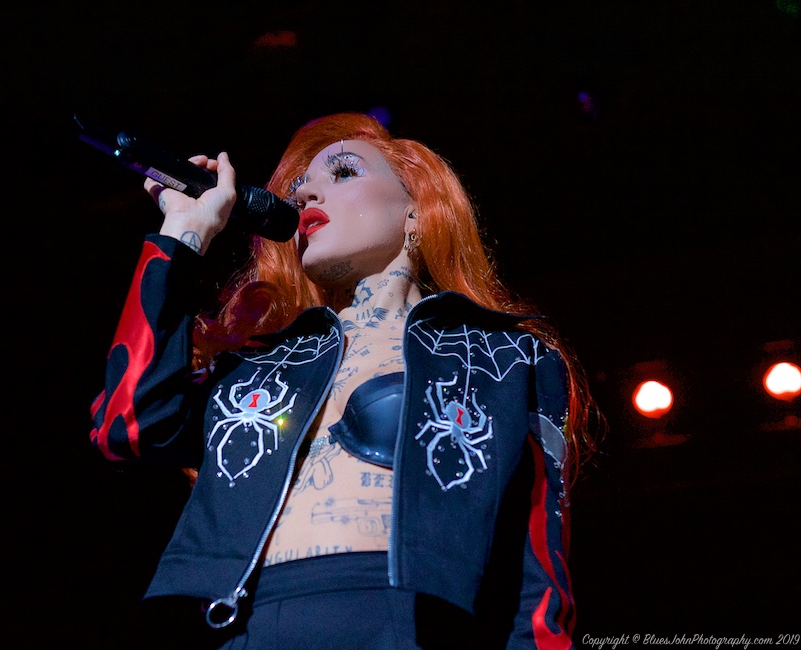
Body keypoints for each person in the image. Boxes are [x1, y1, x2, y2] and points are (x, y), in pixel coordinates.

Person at [89, 113, 598, 649]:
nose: (306, 193)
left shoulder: (504, 359)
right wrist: (184, 231)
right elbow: (128, 425)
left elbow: (538, 564)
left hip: (409, 624)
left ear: (416, 210)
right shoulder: (259, 365)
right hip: (246, 628)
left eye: (344, 172)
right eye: (300, 186)